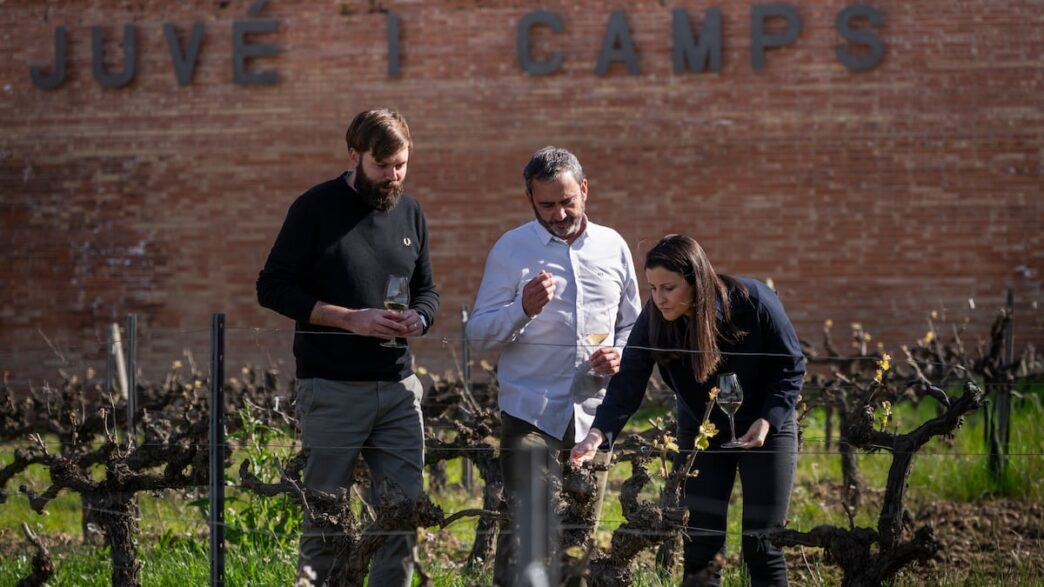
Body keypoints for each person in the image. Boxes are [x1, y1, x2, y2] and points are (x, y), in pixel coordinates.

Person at [256, 108, 438, 587]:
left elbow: (427, 291)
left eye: (401, 165)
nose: (393, 176)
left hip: (398, 388)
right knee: (327, 521)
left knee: (401, 516)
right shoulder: (313, 208)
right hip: (332, 389)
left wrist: (420, 317)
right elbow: (272, 288)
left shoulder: (411, 213)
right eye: (382, 166)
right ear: (353, 155)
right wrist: (348, 319)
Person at [571, 234, 805, 586]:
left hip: (765, 427)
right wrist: (597, 434)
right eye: (653, 288)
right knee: (700, 547)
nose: (659, 298)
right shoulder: (654, 317)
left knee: (762, 546)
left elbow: (791, 365)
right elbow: (629, 379)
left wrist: (768, 419)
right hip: (701, 431)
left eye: (669, 288)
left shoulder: (754, 302)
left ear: (697, 280)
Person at [466, 146, 642, 586]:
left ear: (584, 189)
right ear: (529, 198)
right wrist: (521, 309)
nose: (559, 214)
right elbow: (478, 335)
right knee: (528, 536)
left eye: (567, 201)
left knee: (579, 538)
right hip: (530, 413)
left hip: (593, 417)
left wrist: (621, 353)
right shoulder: (512, 249)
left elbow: (633, 325)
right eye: (547, 205)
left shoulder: (613, 246)